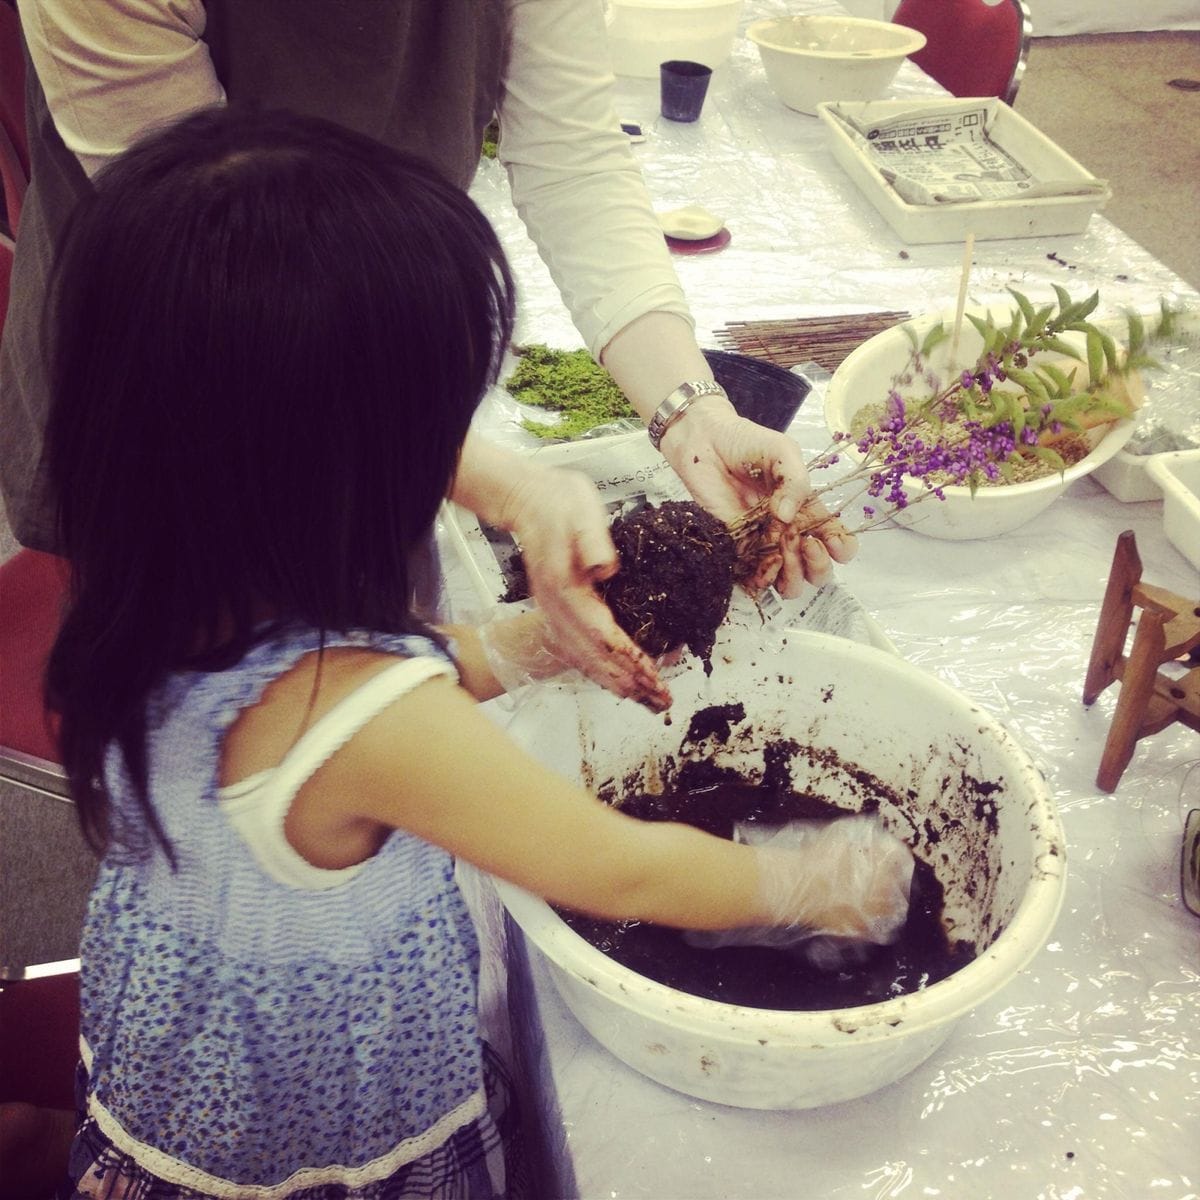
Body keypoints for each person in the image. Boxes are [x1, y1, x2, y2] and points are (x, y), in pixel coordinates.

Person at [43, 108, 911, 1197]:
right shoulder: (375, 719)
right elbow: (617, 864)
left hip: (184, 1084)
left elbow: (334, 708)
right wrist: (811, 880)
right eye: (435, 427)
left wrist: (526, 644)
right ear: (342, 469)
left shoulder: (158, 600)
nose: (457, 461)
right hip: (323, 1147)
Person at [1, 0, 856, 711]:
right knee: (232, 682)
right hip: (169, 366)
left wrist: (695, 418)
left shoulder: (389, 366)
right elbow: (215, 263)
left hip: (379, 357)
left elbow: (573, 159)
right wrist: (506, 487)